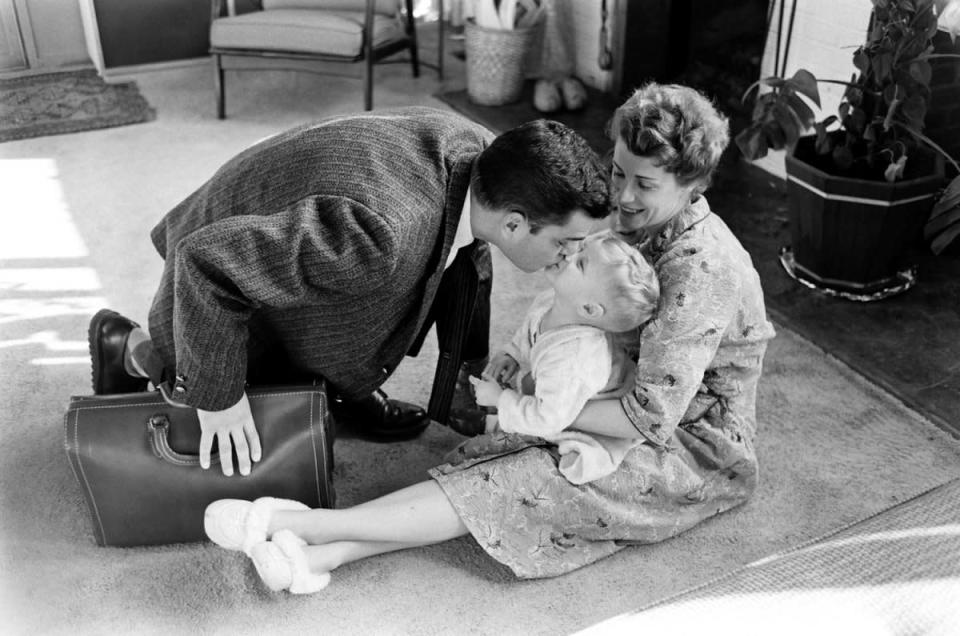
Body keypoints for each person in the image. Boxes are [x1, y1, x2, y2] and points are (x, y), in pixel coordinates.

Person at [200, 81, 777, 593]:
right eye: (618, 171)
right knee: (488, 454)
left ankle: (299, 525)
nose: (623, 197)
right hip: (596, 391)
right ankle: (323, 556)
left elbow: (651, 419)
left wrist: (530, 408)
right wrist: (519, 365)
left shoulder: (705, 270)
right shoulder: (625, 230)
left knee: (524, 473)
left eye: (644, 183)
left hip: (687, 437)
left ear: (693, 185)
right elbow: (576, 314)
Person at [87, 107, 610, 476]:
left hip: (310, 223)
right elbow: (206, 263)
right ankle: (127, 346)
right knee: (212, 384)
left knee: (377, 287)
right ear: (516, 224)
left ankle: (344, 385)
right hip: (217, 255)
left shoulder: (486, 160)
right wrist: (220, 402)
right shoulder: (385, 234)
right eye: (567, 243)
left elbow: (464, 269)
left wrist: (467, 373)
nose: (569, 258)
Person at [469, 232, 659, 485]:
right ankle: (500, 421)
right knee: (527, 394)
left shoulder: (574, 361)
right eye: (581, 249)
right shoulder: (555, 300)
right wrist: (513, 353)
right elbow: (532, 329)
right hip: (555, 390)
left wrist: (500, 399)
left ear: (589, 309)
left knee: (478, 458)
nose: (569, 253)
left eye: (581, 263)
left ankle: (500, 425)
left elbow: (550, 418)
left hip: (578, 413)